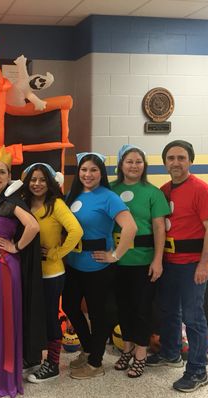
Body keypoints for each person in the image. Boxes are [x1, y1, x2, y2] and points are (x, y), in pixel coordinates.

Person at [147, 140, 208, 393]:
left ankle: (198, 370)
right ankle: (170, 353)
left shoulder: (201, 189)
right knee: (168, 311)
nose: (175, 162)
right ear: (165, 162)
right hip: (169, 263)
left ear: (190, 161)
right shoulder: (164, 190)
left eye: (181, 158)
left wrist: (205, 262)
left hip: (192, 265)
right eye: (171, 158)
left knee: (193, 317)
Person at [0, 147, 42, 398]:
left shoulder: (14, 202)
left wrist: (16, 246)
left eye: (1, 172)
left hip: (3, 267)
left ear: (9, 176)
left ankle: (2, 372)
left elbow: (33, 226)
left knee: (3, 318)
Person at [63, 152, 137, 380]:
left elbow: (130, 227)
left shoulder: (108, 197)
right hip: (73, 265)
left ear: (101, 173)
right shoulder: (72, 195)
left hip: (98, 267)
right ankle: (89, 349)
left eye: (94, 170)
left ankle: (96, 362)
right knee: (69, 306)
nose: (88, 174)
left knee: (98, 315)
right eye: (84, 170)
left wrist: (114, 255)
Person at [110, 145, 170, 378]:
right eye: (129, 161)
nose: (134, 165)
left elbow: (158, 228)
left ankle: (141, 354)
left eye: (138, 162)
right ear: (121, 165)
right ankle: (126, 349)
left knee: (142, 309)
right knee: (123, 308)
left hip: (144, 261)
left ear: (144, 166)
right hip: (117, 261)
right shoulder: (111, 189)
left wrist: (158, 259)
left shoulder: (153, 193)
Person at [21, 163, 83, 383]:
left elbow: (76, 230)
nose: (37, 184)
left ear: (50, 183)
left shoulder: (56, 204)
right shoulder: (24, 203)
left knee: (49, 317)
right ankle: (33, 357)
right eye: (33, 179)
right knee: (31, 315)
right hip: (28, 272)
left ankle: (53, 364)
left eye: (42, 180)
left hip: (50, 272)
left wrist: (58, 253)